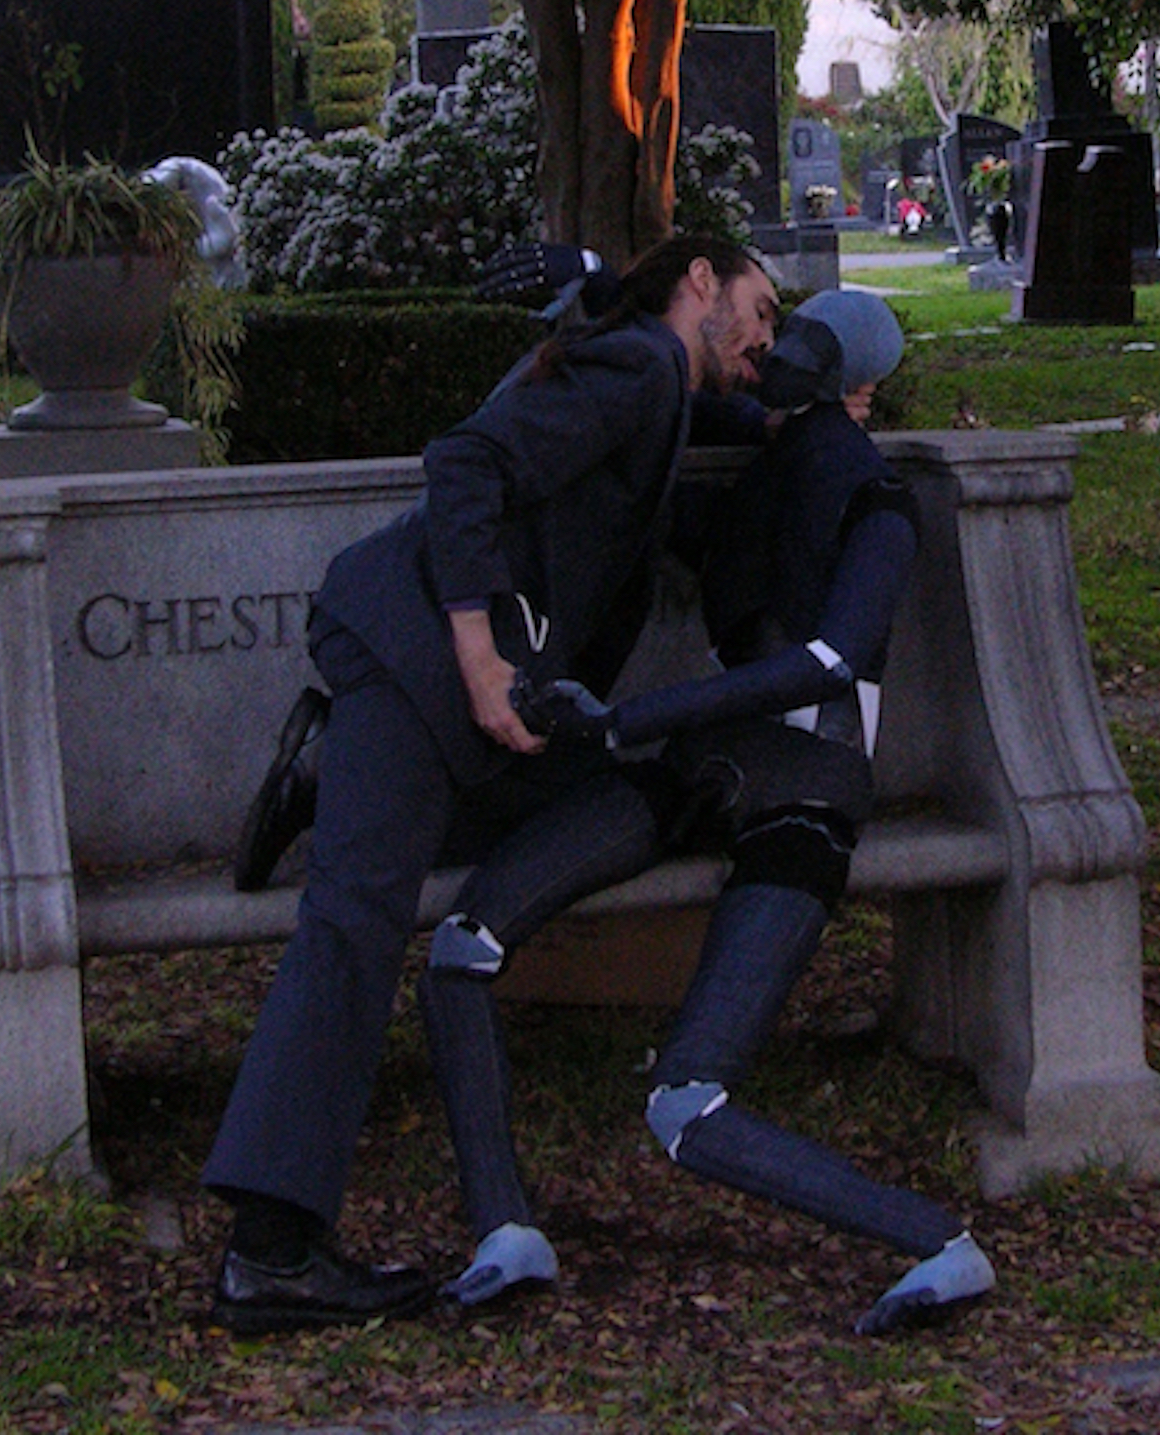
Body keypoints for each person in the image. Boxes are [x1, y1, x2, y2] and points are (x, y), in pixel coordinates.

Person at [205, 232, 780, 1335]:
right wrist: (480, 661)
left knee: (592, 788)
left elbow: (662, 409)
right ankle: (268, 1250)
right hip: (418, 652)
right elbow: (464, 462)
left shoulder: (651, 373)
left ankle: (321, 773)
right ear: (700, 281)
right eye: (759, 308)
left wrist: (785, 411)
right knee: (356, 921)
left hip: (432, 667)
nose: (765, 335)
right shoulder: (641, 366)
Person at [417, 291, 996, 1337]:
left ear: (852, 384)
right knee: (463, 943)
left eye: (799, 341)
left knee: (689, 1103)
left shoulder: (865, 492)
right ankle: (502, 1228)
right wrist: (584, 309)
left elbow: (828, 657)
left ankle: (937, 1243)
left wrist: (628, 716)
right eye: (768, 333)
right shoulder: (778, 452)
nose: (771, 353)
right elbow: (601, 412)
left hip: (801, 790)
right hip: (701, 765)